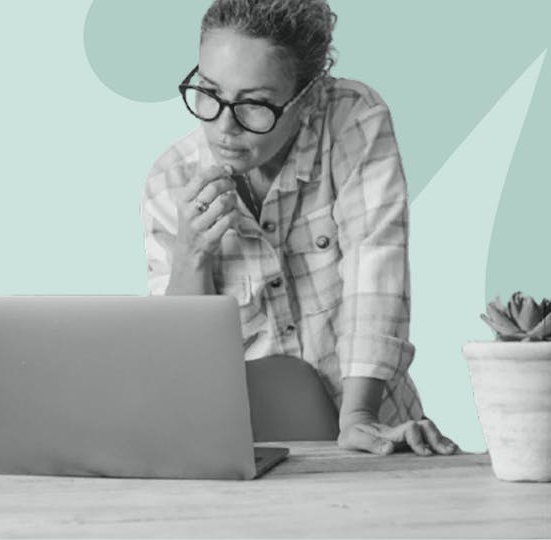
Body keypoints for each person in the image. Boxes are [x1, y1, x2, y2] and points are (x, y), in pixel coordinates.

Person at [141, 0, 457, 456]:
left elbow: (376, 267)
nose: (225, 126)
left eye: (255, 105)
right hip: (253, 452)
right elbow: (179, 366)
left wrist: (358, 418)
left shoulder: (353, 119)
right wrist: (192, 253)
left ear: (306, 97)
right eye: (209, 93)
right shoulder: (169, 180)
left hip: (377, 434)